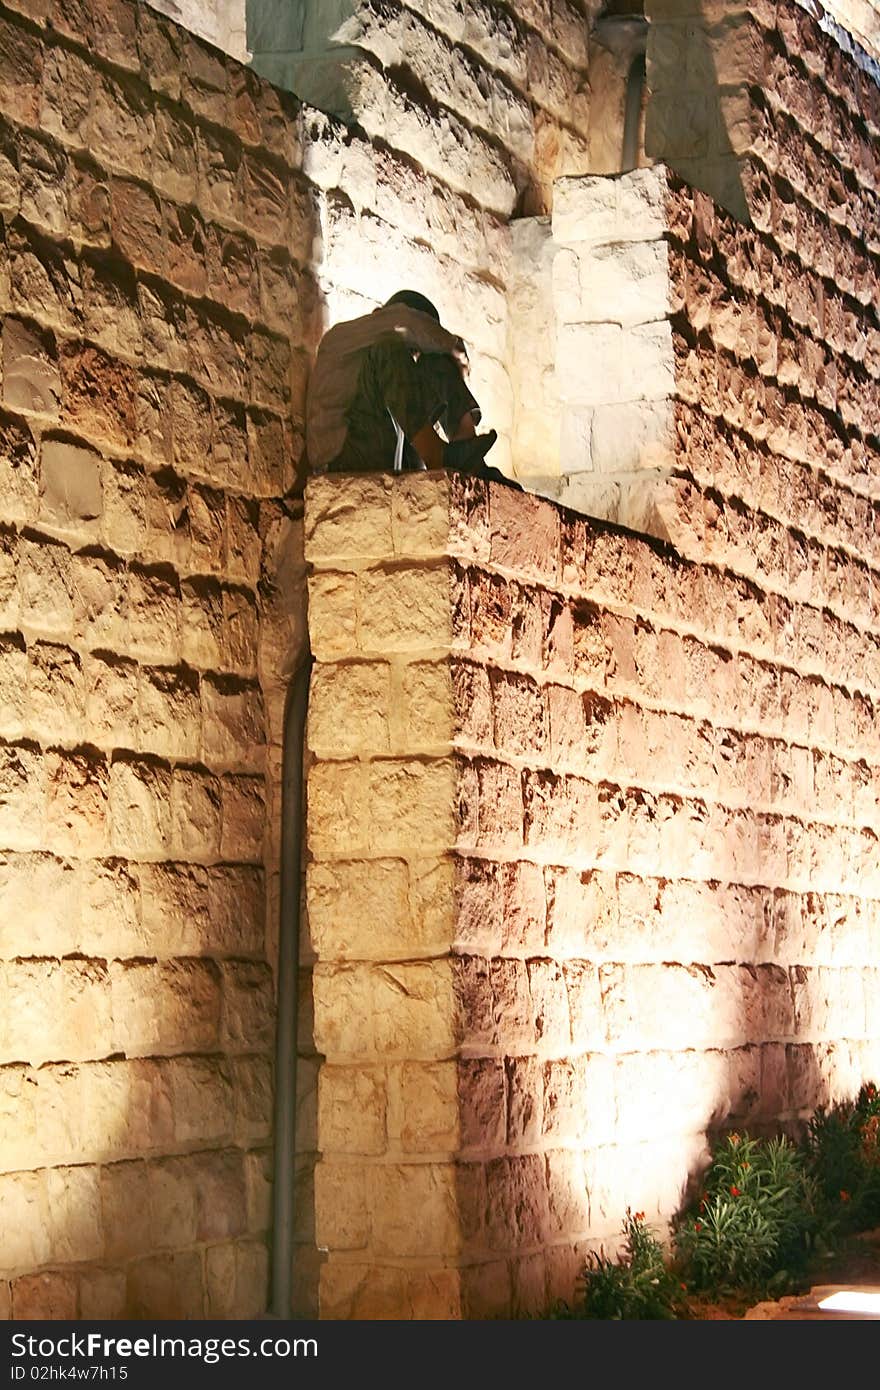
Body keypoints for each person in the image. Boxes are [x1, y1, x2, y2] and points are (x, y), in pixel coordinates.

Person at [305, 289, 513, 482]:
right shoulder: (342, 337)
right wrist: (451, 346)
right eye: (411, 351)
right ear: (379, 315)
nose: (409, 360)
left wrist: (444, 360)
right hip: (342, 459)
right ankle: (437, 453)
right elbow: (403, 323)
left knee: (435, 362)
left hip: (389, 458)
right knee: (388, 347)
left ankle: (470, 456)